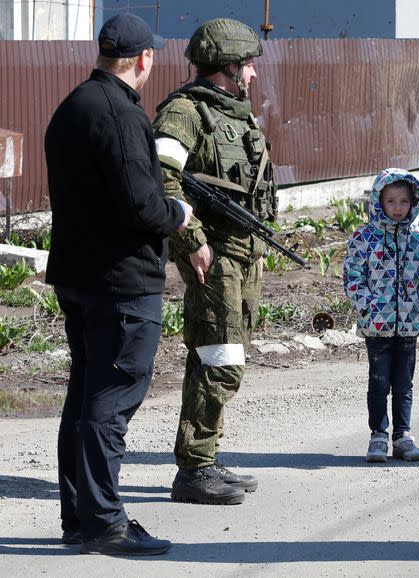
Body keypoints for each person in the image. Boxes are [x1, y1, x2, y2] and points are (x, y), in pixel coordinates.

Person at [45, 13, 192, 556]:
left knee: (85, 399)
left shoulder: (72, 105)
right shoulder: (121, 114)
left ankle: (80, 518)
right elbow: (142, 206)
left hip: (78, 277)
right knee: (110, 400)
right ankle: (105, 522)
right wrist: (177, 211)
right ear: (144, 59)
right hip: (121, 283)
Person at [152, 18, 277, 505]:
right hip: (215, 252)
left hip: (245, 252)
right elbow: (162, 182)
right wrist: (193, 240)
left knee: (221, 355)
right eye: (247, 66)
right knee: (220, 358)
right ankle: (194, 470)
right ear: (228, 67)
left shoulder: (234, 114)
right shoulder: (185, 112)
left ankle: (204, 456)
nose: (252, 75)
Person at [343, 169, 419, 463]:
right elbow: (352, 276)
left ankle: (403, 436)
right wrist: (366, 304)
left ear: (413, 202)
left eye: (404, 201)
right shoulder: (363, 237)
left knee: (404, 383)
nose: (397, 207)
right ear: (378, 201)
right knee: (379, 381)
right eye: (391, 200)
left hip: (409, 323)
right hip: (376, 325)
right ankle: (378, 435)